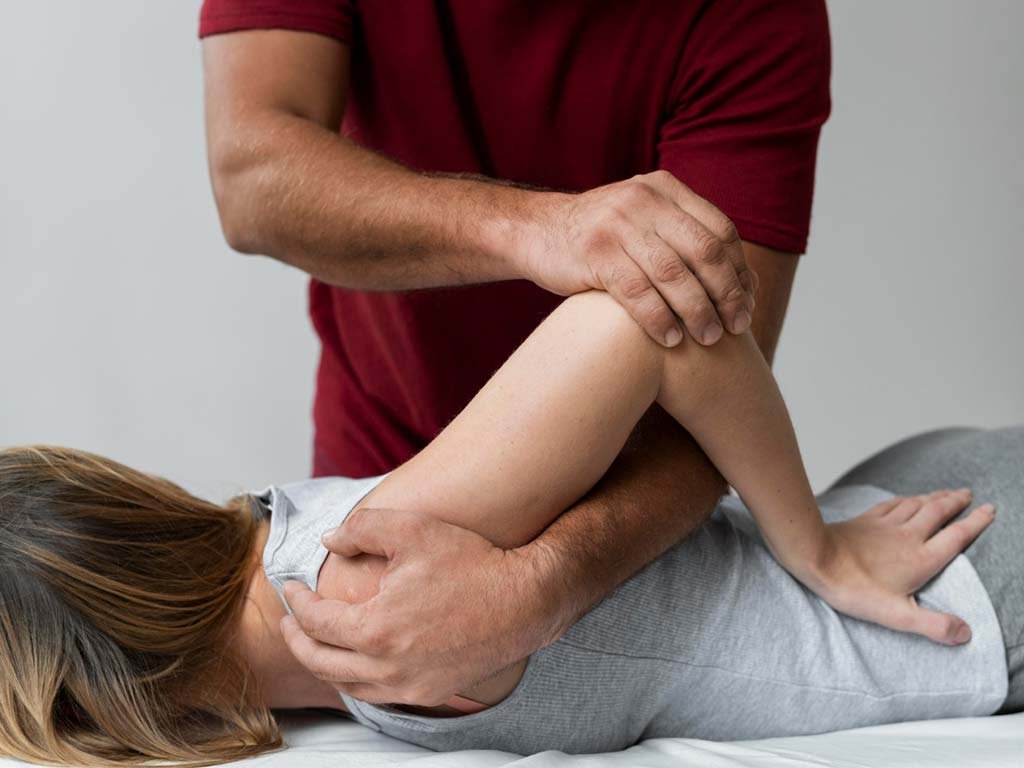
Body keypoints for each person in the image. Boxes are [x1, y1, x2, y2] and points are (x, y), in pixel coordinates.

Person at [1, 292, 1014, 766]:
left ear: (108, 699)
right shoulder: (281, 543)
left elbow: (647, 330)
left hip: (972, 586)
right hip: (923, 503)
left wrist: (819, 552)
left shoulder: (357, 583)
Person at [199, 0, 832, 704]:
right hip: (372, 476)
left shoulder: (757, 16)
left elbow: (711, 367)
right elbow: (251, 177)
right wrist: (536, 228)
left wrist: (537, 587)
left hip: (612, 524)